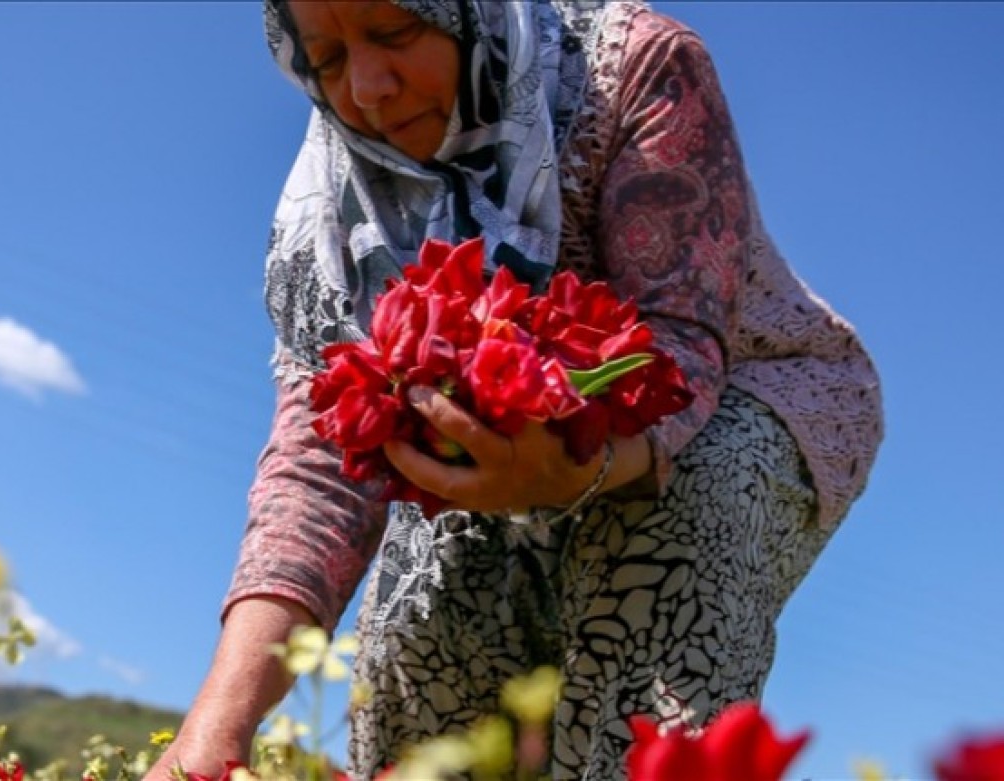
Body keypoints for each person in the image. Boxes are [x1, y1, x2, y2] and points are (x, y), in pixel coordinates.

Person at [147, 1, 883, 779]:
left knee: (653, 570)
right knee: (419, 632)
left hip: (735, 393)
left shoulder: (631, 67)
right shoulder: (339, 207)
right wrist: (211, 737)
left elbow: (678, 345)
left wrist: (573, 475)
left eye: (395, 33)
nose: (365, 88)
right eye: (327, 59)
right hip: (499, 446)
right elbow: (322, 465)